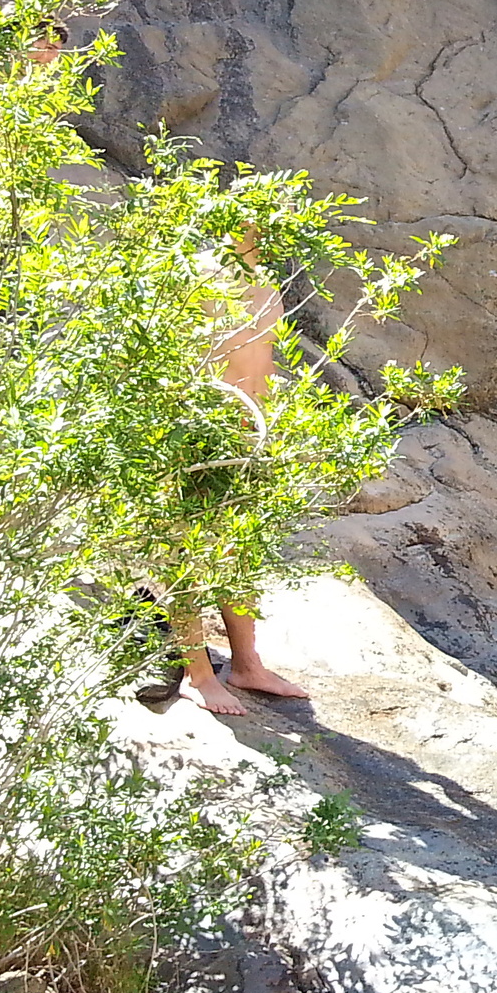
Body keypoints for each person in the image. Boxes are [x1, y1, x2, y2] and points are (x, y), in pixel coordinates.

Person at [174, 226, 311, 716]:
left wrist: (273, 428)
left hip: (251, 430)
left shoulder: (264, 280)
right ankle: (198, 675)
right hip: (201, 431)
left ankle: (247, 664)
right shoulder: (196, 276)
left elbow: (264, 361)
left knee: (242, 546)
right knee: (184, 550)